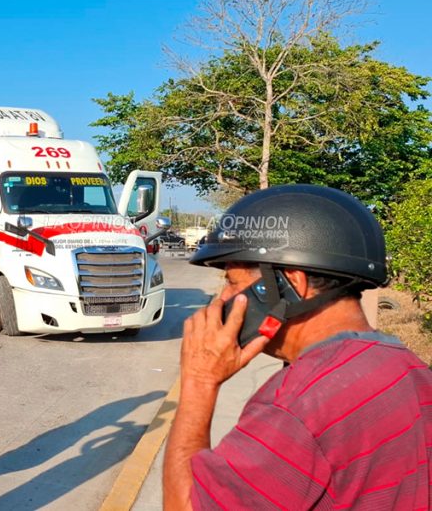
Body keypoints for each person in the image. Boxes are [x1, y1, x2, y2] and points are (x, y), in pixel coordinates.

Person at [163, 184, 432, 509]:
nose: (222, 300)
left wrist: (199, 382)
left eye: (232, 283)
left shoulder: (298, 405)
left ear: (290, 284)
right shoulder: (410, 367)